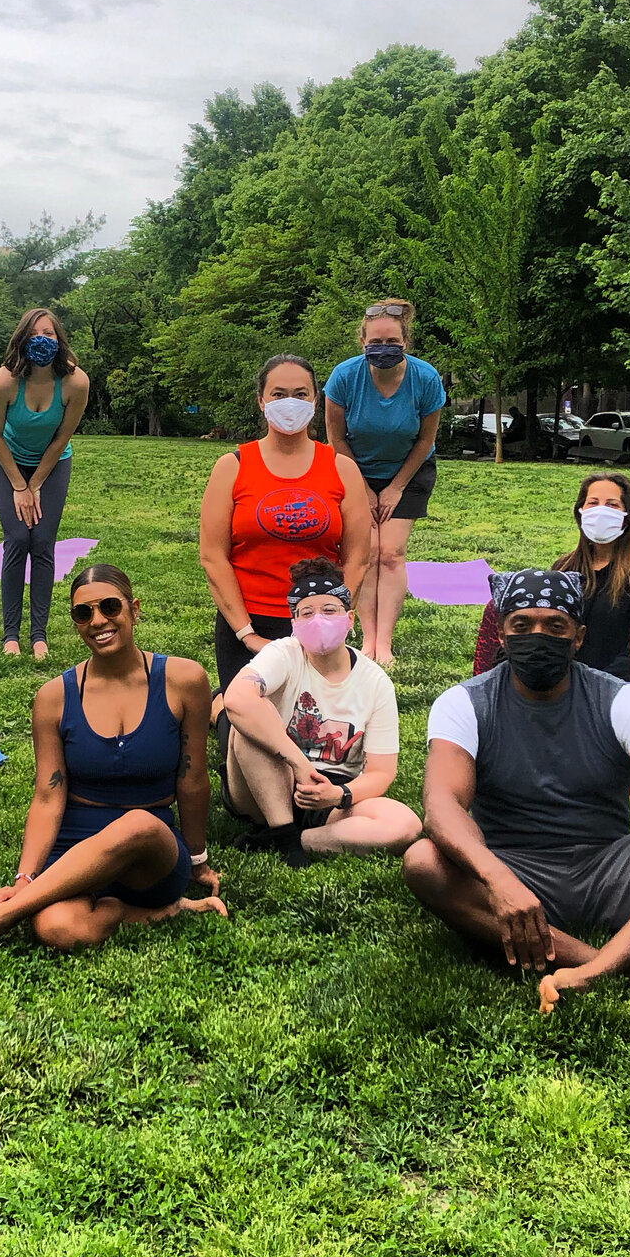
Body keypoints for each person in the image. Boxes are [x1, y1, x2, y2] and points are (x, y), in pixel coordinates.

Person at [404, 569, 630, 1010]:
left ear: (579, 636)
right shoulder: (464, 703)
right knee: (423, 861)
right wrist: (498, 879)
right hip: (517, 874)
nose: (538, 636)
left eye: (555, 626)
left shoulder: (621, 700)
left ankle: (592, 971)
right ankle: (624, 966)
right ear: (502, 636)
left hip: (612, 869)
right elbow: (441, 805)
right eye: (522, 626)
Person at [0, 564, 224, 958]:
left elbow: (192, 780)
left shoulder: (183, 680)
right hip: (77, 846)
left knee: (138, 824)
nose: (98, 621)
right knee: (58, 928)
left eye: (110, 607)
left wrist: (197, 861)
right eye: (83, 613)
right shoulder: (53, 698)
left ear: (134, 609)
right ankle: (168, 911)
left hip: (150, 850)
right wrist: (25, 879)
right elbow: (47, 796)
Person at [220, 557, 421, 865]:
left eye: (330, 611)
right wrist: (299, 764)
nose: (319, 620)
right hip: (265, 784)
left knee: (405, 825)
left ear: (350, 618)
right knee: (248, 723)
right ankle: (281, 830)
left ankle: (293, 841)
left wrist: (339, 796)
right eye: (306, 613)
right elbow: (236, 698)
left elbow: (382, 772)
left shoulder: (375, 682)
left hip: (330, 796)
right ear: (294, 624)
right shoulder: (284, 653)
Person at [200, 354, 371, 697]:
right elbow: (213, 557)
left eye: (300, 393)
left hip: (318, 620)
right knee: (245, 734)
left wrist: (335, 618)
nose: (289, 403)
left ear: (315, 400)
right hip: (250, 621)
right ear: (261, 400)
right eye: (278, 394)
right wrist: (247, 634)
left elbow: (358, 558)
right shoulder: (231, 467)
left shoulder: (343, 469)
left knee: (316, 737)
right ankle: (221, 706)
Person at [324, 300, 446, 666]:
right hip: (354, 468)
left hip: (409, 470)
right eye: (375, 341)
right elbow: (336, 438)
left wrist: (395, 488)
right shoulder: (344, 377)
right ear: (362, 341)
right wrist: (362, 487)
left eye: (392, 341)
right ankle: (367, 640)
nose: (384, 347)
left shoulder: (426, 379)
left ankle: (385, 644)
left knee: (390, 553)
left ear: (405, 341)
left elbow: (425, 441)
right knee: (367, 552)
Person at [473, 471, 630, 682]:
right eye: (593, 503)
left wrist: (596, 686)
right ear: (580, 512)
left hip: (613, 688)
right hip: (558, 685)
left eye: (612, 505)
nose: (601, 511)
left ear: (627, 515)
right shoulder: (564, 568)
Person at [0, 308, 91, 660]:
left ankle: (39, 635)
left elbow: (62, 437)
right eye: (33, 335)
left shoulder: (76, 382)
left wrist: (37, 484)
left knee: (43, 542)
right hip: (8, 461)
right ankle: (10, 635)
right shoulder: (4, 381)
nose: (41, 340)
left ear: (59, 340)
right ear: (21, 340)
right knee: (17, 538)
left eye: (48, 333)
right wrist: (19, 486)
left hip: (53, 463)